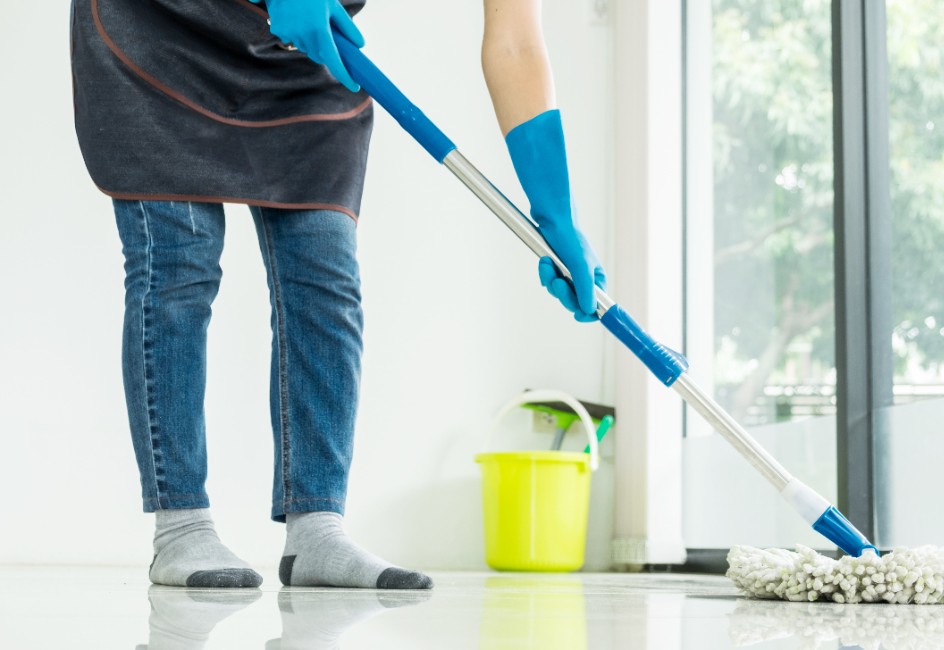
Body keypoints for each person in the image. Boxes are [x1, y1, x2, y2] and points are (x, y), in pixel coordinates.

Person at [70, 0, 605, 588]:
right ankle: (181, 528)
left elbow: (515, 43)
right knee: (178, 264)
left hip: (300, 57)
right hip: (157, 31)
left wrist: (554, 209)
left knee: (324, 278)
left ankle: (316, 530)